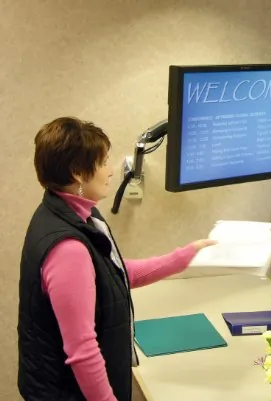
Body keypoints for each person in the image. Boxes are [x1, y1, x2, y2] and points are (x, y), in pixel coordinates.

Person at [17, 117, 216, 401]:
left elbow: (113, 273)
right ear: (77, 173)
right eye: (103, 163)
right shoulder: (68, 249)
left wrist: (183, 257)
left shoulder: (71, 213)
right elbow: (83, 351)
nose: (110, 171)